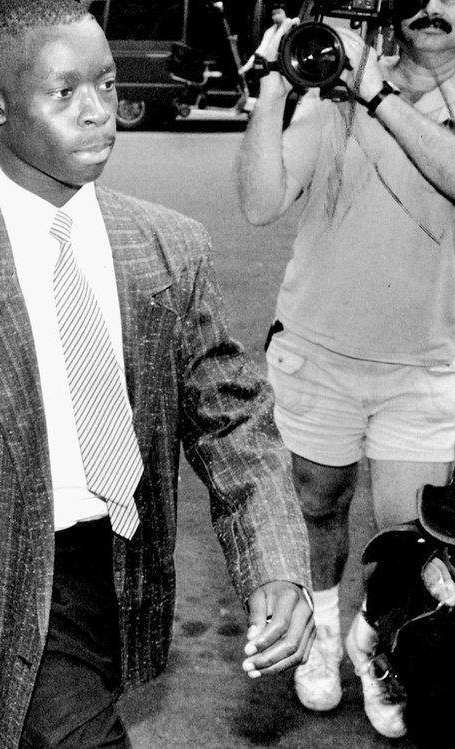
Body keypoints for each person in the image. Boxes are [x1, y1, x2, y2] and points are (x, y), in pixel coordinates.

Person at [0, 2, 314, 747]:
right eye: (64, 92)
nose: (100, 112)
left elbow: (233, 422)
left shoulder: (168, 245)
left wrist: (277, 565)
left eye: (105, 83)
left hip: (126, 565)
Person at [237, 0, 455, 739]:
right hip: (320, 353)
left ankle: (377, 641)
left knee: (405, 536)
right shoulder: (337, 90)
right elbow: (261, 200)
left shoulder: (367, 89)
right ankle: (326, 633)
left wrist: (376, 94)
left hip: (426, 364)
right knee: (317, 503)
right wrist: (273, 84)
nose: (435, 7)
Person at [238, 2, 299, 78]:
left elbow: (296, 21)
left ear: (283, 13)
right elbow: (261, 49)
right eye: (274, 14)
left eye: (278, 13)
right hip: (273, 65)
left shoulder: (290, 22)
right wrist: (246, 67)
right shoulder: (269, 31)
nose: (276, 16)